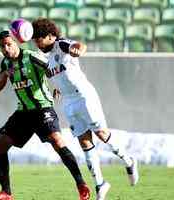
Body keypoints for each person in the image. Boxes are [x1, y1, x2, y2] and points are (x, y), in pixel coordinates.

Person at [32, 18, 139, 200]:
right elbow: (59, 74)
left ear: (50, 36)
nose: (37, 42)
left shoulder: (61, 44)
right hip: (68, 101)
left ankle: (128, 160)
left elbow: (78, 45)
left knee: (102, 135)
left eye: (39, 38)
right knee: (84, 142)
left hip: (84, 96)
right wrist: (58, 87)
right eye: (35, 40)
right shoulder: (45, 58)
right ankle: (100, 184)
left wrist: (78, 49)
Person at [0, 30, 90, 200]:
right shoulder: (5, 63)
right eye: (2, 46)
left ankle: (81, 184)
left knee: (57, 142)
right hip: (23, 112)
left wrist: (58, 85)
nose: (6, 48)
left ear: (17, 42)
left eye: (9, 44)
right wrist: (5, 74)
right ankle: (6, 193)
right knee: (0, 146)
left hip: (43, 108)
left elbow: (51, 68)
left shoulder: (31, 56)